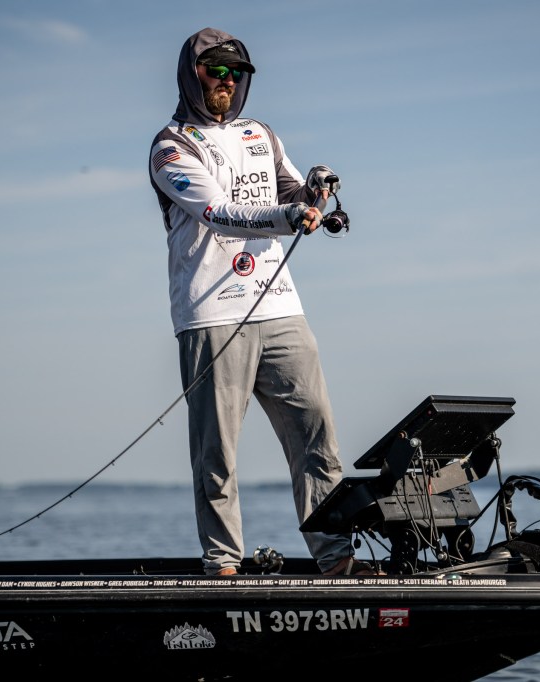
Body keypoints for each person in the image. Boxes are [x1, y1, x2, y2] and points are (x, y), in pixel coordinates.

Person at [148, 27, 374, 577]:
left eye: (237, 73)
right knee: (217, 452)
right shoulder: (171, 146)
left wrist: (314, 190)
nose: (227, 81)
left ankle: (336, 560)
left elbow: (291, 191)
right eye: (216, 71)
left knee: (317, 438)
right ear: (192, 75)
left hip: (280, 309)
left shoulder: (261, 135)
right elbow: (218, 212)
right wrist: (288, 216)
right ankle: (223, 564)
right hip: (210, 317)